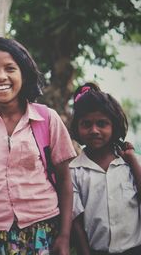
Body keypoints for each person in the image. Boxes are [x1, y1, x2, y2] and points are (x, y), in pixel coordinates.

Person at [0, 37, 76, 255]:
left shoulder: (47, 118)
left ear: (24, 73)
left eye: (10, 68)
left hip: (44, 229)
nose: (1, 77)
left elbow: (65, 180)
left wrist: (64, 237)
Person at [69, 82, 141, 255]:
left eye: (102, 123)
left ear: (114, 126)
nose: (94, 130)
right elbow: (77, 225)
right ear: (77, 128)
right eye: (86, 124)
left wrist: (132, 161)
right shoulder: (74, 171)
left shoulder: (130, 163)